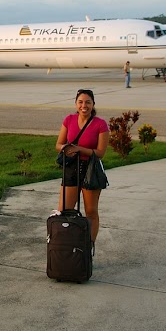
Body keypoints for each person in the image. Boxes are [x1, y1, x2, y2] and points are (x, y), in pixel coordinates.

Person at [55, 89, 110, 252]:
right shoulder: (69, 119)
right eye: (80, 102)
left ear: (93, 105)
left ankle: (88, 247)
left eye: (87, 102)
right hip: (71, 167)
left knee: (91, 211)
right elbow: (58, 144)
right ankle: (65, 245)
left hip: (90, 170)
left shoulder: (100, 124)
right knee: (64, 210)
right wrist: (66, 148)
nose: (84, 105)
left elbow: (100, 153)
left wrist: (79, 149)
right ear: (76, 104)